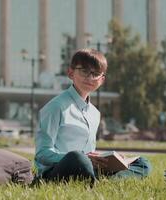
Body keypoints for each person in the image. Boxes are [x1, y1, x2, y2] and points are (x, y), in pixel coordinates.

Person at [34, 48, 151, 184]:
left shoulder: (95, 113)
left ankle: (101, 179)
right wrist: (84, 158)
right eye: (84, 71)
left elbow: (90, 153)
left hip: (87, 167)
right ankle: (99, 179)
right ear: (70, 73)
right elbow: (42, 154)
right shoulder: (56, 107)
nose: (90, 78)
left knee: (143, 163)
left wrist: (107, 159)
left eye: (95, 74)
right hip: (57, 170)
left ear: (101, 80)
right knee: (77, 157)